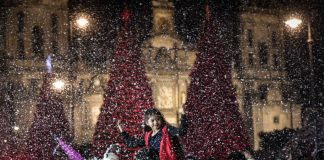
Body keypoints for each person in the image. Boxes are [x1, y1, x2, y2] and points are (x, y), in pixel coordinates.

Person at [117, 108, 187, 160]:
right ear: (147, 123)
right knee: (143, 153)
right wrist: (122, 131)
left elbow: (182, 131)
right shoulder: (148, 136)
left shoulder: (167, 130)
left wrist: (183, 116)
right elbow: (131, 143)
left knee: (147, 152)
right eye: (152, 120)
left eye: (158, 119)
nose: (156, 122)